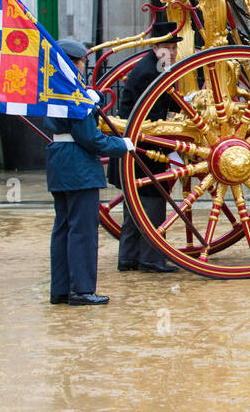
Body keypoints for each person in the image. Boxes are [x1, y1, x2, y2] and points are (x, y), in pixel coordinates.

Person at [47, 40, 135, 305]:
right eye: (82, 61)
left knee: (63, 228)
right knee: (83, 230)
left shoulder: (52, 88)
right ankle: (82, 289)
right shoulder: (73, 94)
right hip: (79, 166)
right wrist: (122, 145)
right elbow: (91, 139)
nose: (84, 66)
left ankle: (61, 289)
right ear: (74, 62)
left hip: (59, 162)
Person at [113, 21, 180, 273]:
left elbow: (163, 103)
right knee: (152, 203)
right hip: (144, 147)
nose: (172, 52)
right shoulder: (151, 71)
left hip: (134, 145)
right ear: (156, 47)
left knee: (134, 207)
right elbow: (154, 114)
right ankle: (151, 259)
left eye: (173, 48)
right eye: (167, 47)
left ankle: (129, 257)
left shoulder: (152, 67)